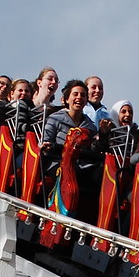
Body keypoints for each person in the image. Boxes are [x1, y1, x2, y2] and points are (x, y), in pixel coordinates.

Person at [42, 79, 101, 209]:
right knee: (71, 173)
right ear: (67, 99)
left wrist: (103, 134)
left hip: (83, 164)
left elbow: (94, 149)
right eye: (75, 94)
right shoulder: (55, 118)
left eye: (83, 95)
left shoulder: (90, 126)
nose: (79, 98)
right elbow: (46, 142)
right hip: (59, 161)